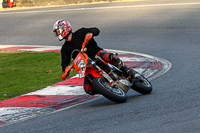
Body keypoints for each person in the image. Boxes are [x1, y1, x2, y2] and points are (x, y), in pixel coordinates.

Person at [53, 19, 136, 95]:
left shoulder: (80, 32)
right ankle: (106, 88)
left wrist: (91, 33)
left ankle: (127, 70)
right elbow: (64, 62)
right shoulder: (65, 49)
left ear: (65, 28)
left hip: (97, 53)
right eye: (56, 32)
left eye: (58, 31)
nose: (57, 34)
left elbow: (96, 30)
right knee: (88, 88)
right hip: (88, 66)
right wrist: (65, 71)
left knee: (110, 57)